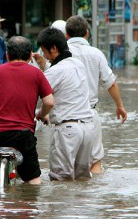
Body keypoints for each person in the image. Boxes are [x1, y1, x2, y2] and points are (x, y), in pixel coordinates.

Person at [0, 36, 55, 185]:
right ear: (29, 56)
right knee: (33, 179)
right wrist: (41, 115)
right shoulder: (37, 74)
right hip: (23, 135)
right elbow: (49, 102)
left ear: (7, 55)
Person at [65, 15, 128, 174]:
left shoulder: (61, 53)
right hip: (90, 114)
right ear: (87, 33)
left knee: (65, 168)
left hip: (65, 116)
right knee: (95, 163)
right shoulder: (96, 54)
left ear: (66, 35)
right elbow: (110, 83)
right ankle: (93, 197)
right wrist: (120, 106)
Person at [35, 28, 95, 181]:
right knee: (83, 179)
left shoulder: (54, 72)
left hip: (67, 130)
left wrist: (41, 114)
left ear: (54, 48)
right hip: (88, 128)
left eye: (44, 52)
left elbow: (41, 98)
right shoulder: (78, 64)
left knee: (60, 180)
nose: (45, 57)